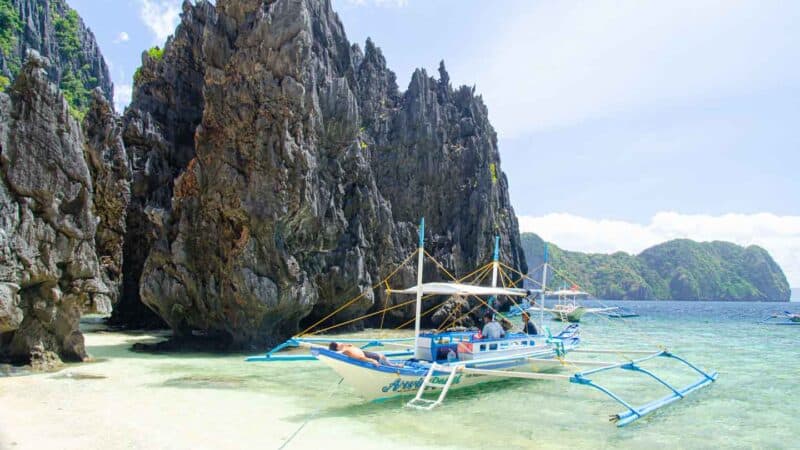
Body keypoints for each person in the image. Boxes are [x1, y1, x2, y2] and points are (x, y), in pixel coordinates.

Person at [328, 342, 399, 367]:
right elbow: (360, 357)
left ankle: (392, 364)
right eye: (339, 343)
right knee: (382, 356)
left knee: (382, 356)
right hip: (371, 358)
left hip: (366, 354)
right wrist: (372, 361)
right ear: (337, 347)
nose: (340, 343)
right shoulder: (346, 350)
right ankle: (392, 365)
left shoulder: (345, 347)